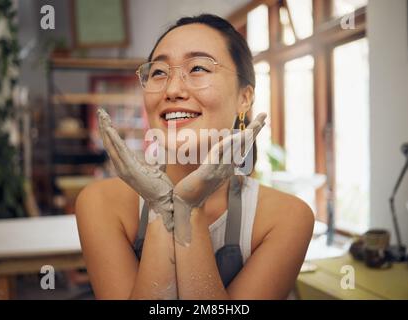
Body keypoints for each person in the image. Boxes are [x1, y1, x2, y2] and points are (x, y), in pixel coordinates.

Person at [75, 14, 314, 300]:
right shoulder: (101, 204)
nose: (173, 90)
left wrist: (189, 209)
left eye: (198, 68)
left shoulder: (287, 219)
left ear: (244, 97)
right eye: (159, 73)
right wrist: (163, 209)